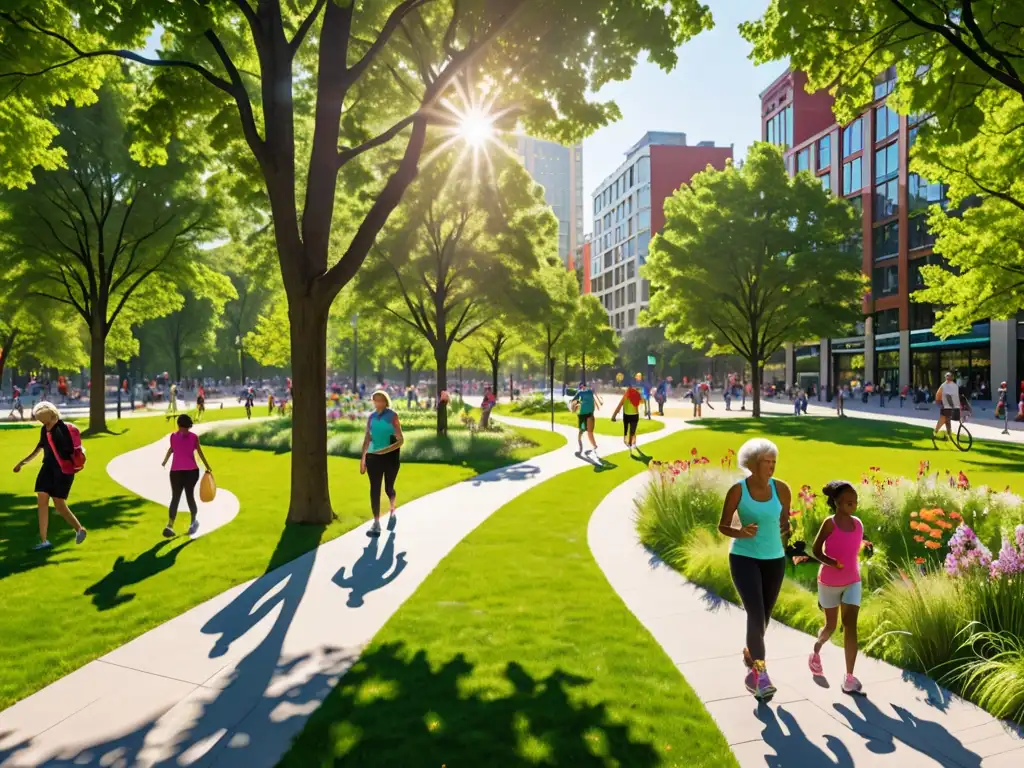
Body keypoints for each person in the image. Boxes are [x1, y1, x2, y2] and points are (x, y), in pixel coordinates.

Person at [716, 438, 791, 700]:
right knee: (756, 614)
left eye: (773, 462)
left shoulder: (782, 489)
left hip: (775, 559)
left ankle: (751, 661)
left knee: (764, 616)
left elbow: (783, 520)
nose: (771, 467)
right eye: (765, 462)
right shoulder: (738, 491)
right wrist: (740, 532)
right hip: (744, 557)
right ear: (752, 464)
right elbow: (723, 526)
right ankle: (761, 675)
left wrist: (787, 529)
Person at [809, 480, 864, 694]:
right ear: (837, 502)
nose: (853, 504)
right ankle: (817, 649)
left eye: (855, 501)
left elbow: (852, 549)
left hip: (852, 581)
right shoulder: (829, 523)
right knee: (830, 627)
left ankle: (849, 678)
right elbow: (815, 550)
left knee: (850, 625)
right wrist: (832, 562)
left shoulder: (858, 524)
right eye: (849, 501)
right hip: (829, 582)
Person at [12, 401, 87, 550]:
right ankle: (44, 540)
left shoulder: (62, 429)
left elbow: (70, 451)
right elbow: (38, 448)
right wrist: (22, 463)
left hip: (63, 471)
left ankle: (79, 529)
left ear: (48, 415)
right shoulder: (44, 430)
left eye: (41, 418)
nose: (40, 421)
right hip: (47, 469)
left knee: (59, 504)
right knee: (42, 500)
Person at [359, 390, 404, 537]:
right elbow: (367, 438)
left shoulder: (393, 416)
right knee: (374, 489)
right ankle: (376, 523)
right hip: (373, 458)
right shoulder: (371, 417)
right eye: (375, 400)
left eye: (380, 400)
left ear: (385, 401)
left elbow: (400, 440)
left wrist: (385, 451)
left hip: (390, 459)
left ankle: (392, 506)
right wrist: (363, 459)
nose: (377, 403)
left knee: (388, 488)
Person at [160, 414, 212, 538]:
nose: (185, 430)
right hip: (176, 472)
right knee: (176, 497)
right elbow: (171, 449)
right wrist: (165, 461)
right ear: (179, 426)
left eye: (186, 428)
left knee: (189, 496)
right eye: (183, 427)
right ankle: (170, 526)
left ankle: (193, 522)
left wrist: (207, 466)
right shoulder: (173, 436)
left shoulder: (193, 437)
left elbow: (200, 452)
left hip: (191, 471)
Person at [570, 381, 602, 457]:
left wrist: (574, 406)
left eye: (583, 386)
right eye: (582, 387)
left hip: (588, 414)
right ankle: (581, 448)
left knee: (588, 432)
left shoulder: (589, 392)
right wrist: (575, 406)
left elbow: (595, 389)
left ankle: (594, 446)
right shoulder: (581, 393)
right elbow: (573, 402)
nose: (582, 387)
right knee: (582, 431)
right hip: (582, 415)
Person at [611, 378, 643, 454]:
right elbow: (641, 402)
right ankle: (632, 443)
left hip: (627, 415)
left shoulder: (627, 394)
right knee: (632, 430)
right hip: (635, 415)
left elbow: (620, 405)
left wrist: (614, 416)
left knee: (627, 429)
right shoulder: (637, 394)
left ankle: (630, 443)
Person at [934, 371, 962, 439]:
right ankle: (935, 433)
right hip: (945, 404)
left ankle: (948, 435)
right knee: (943, 419)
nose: (949, 379)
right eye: (948, 377)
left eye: (950, 377)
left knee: (947, 420)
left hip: (946, 405)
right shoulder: (945, 385)